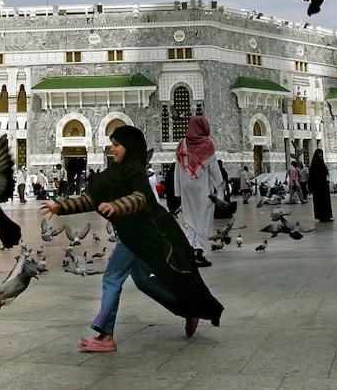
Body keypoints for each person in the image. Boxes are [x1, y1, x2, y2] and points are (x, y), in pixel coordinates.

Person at [41, 124, 223, 352]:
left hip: (140, 234)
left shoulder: (135, 173)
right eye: (113, 144)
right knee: (144, 281)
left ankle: (105, 336)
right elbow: (91, 198)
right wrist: (60, 207)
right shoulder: (112, 174)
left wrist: (117, 206)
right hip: (132, 235)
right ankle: (188, 309)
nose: (113, 149)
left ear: (130, 147)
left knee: (111, 277)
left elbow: (139, 199)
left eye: (117, 145)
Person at [173, 115, 222, 267]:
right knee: (202, 218)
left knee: (189, 218)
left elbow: (177, 168)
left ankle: (190, 252)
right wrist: (219, 186)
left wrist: (178, 191)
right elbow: (213, 168)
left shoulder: (182, 143)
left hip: (186, 187)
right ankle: (199, 253)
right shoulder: (207, 143)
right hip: (201, 187)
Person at [308, 148, 333, 222]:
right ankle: (321, 217)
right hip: (317, 187)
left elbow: (325, 172)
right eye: (319, 153)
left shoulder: (322, 163)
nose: (320, 155)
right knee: (319, 202)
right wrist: (310, 187)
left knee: (326, 202)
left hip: (324, 186)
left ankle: (327, 216)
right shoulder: (314, 165)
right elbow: (311, 177)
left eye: (321, 153)